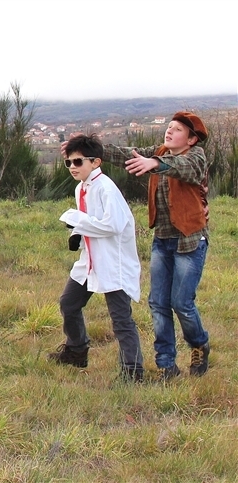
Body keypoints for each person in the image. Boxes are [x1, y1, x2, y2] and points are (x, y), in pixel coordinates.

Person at [98, 111, 211, 380]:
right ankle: (166, 365)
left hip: (190, 241)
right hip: (162, 240)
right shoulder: (159, 152)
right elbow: (127, 154)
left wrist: (155, 163)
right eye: (169, 127)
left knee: (181, 303)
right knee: (158, 303)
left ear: (192, 139)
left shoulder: (196, 157)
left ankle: (199, 344)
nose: (169, 131)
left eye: (178, 129)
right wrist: (90, 147)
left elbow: (182, 168)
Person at [49, 134, 145, 383]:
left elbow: (113, 225)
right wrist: (77, 234)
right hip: (90, 261)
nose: (72, 167)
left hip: (113, 262)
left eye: (78, 162)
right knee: (69, 303)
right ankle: (77, 350)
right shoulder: (81, 188)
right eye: (68, 162)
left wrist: (78, 221)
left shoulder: (105, 188)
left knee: (121, 319)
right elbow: (89, 221)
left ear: (96, 162)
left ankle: (133, 371)